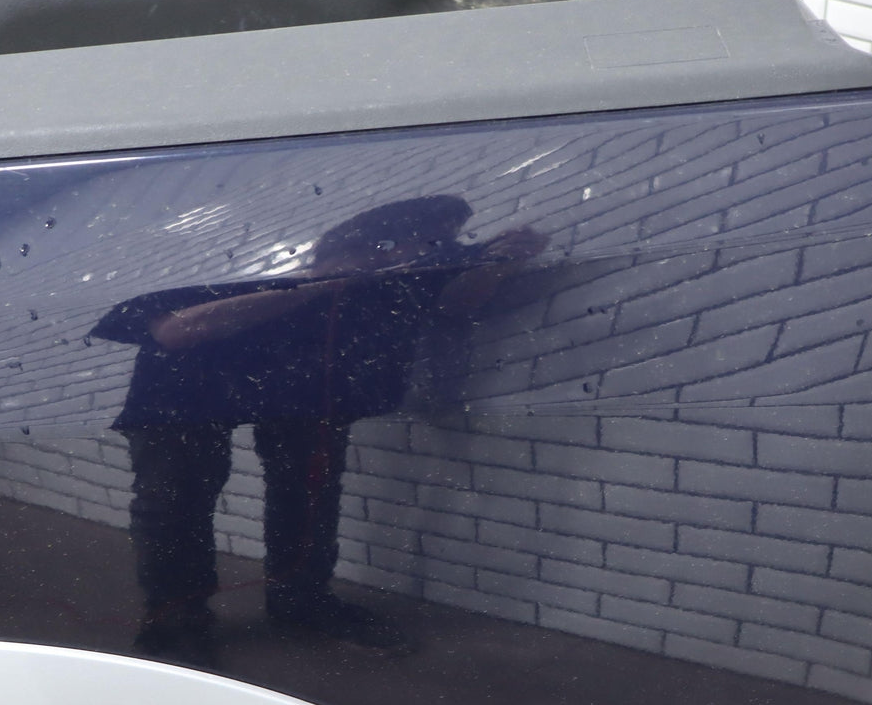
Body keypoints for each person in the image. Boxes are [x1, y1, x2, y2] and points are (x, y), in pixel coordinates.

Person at [91, 195, 543, 665]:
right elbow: (175, 330)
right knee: (175, 499)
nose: (425, 252)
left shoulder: (407, 272)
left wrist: (504, 260)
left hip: (305, 387)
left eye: (439, 240)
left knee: (308, 492)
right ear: (367, 244)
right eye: (416, 241)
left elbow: (453, 303)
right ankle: (175, 619)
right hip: (187, 386)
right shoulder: (248, 263)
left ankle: (302, 601)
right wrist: (321, 283)